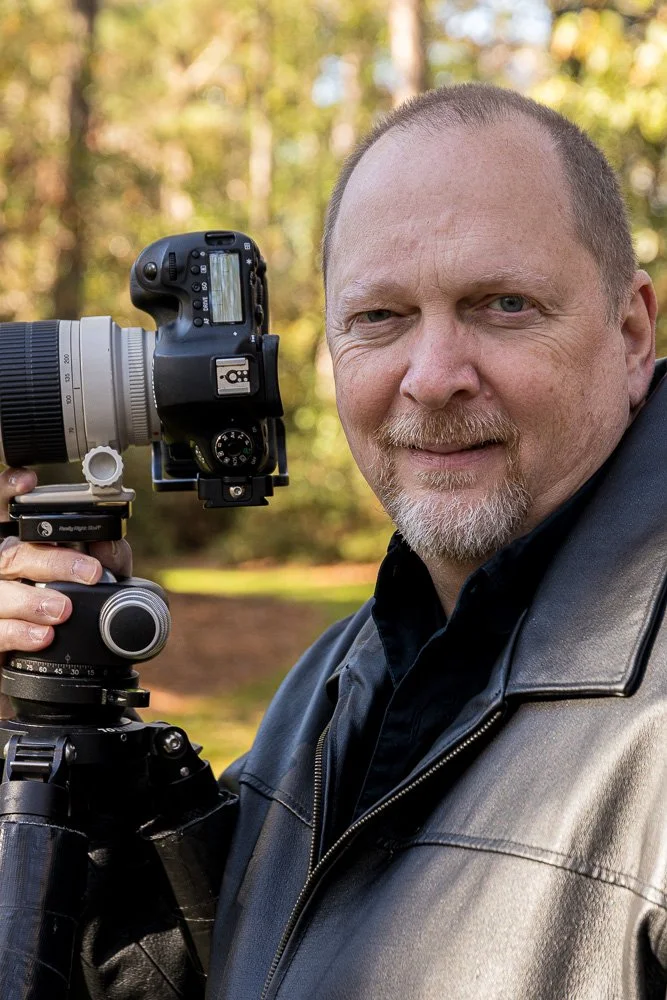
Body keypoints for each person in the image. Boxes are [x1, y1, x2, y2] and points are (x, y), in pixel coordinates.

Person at [1, 82, 666, 998]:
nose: (431, 379)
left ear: (630, 333)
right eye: (379, 318)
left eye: (502, 304)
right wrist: (71, 744)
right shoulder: (343, 678)